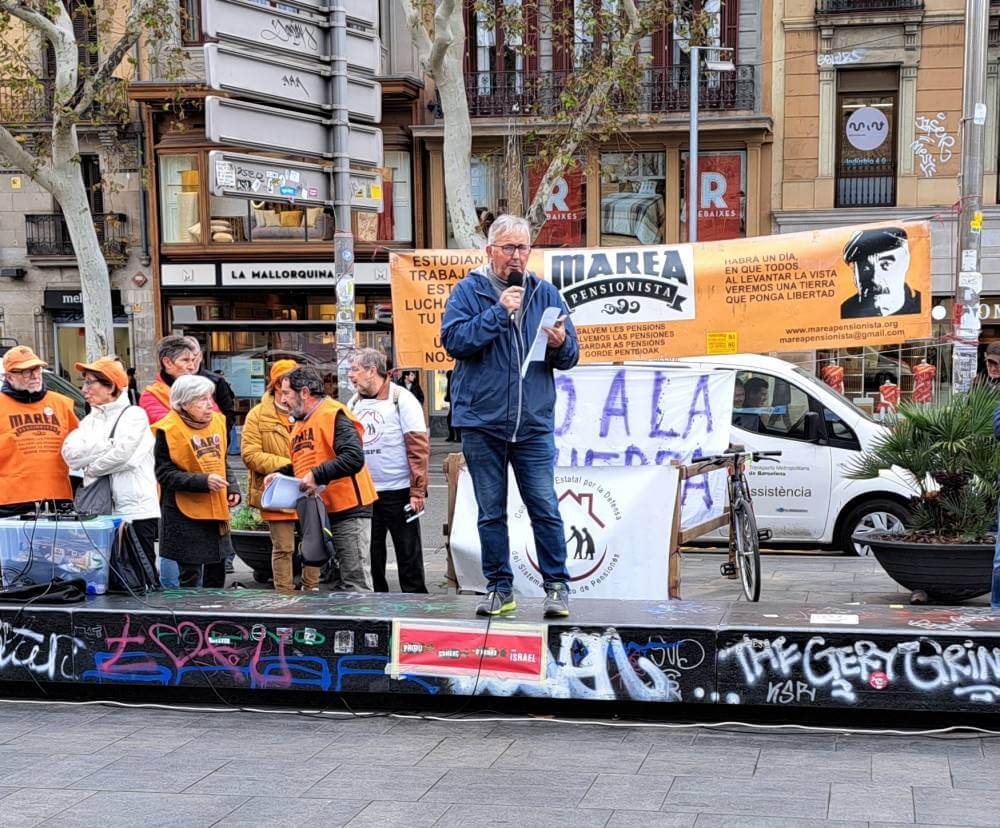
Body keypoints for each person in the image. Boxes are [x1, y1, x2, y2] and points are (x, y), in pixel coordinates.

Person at [441, 213, 579, 618]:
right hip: (482, 424)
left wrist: (559, 344)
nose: (517, 257)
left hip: (532, 424)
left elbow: (571, 357)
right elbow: (455, 341)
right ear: (490, 251)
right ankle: (500, 589)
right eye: (509, 248)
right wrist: (498, 313)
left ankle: (557, 588)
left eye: (523, 248)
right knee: (490, 511)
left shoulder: (546, 294)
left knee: (544, 506)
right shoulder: (468, 292)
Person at [272, 366, 378, 592]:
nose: (282, 399)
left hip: (348, 509)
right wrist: (281, 475)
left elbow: (353, 457)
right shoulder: (300, 423)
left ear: (304, 392)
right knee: (330, 583)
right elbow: (307, 463)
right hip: (321, 513)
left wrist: (317, 475)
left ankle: (361, 625)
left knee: (354, 580)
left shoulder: (333, 413)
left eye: (286, 393)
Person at [61, 356, 160, 571]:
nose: (84, 389)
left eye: (90, 382)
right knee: (101, 571)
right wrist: (107, 445)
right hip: (100, 510)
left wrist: (91, 469)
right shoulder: (89, 421)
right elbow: (70, 454)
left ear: (110, 386)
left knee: (138, 573)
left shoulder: (134, 415)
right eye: (84, 382)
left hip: (135, 511)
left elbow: (125, 457)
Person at [347, 348, 430, 593]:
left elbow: (418, 447)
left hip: (400, 491)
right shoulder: (353, 402)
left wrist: (417, 491)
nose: (351, 375)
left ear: (372, 371)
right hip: (366, 493)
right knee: (371, 554)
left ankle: (415, 606)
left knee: (408, 553)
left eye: (356, 369)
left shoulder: (402, 399)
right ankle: (377, 606)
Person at [152, 374, 241, 588]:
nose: (210, 405)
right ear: (183, 403)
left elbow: (222, 460)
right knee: (190, 576)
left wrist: (233, 487)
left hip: (216, 508)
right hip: (184, 513)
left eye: (209, 398)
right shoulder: (168, 429)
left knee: (217, 570)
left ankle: (216, 616)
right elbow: (164, 473)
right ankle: (189, 619)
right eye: (201, 400)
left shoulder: (218, 422)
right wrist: (202, 481)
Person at [0, 346, 79, 517]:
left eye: (37, 369)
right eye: (26, 372)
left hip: (57, 498)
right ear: (9, 376)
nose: (35, 376)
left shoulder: (62, 404)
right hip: (10, 502)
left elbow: (79, 448)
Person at [241, 359, 298, 592]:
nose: (288, 394)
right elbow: (250, 454)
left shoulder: (309, 409)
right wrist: (288, 466)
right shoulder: (257, 415)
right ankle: (284, 595)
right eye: (284, 387)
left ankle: (311, 591)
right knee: (283, 547)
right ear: (274, 385)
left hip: (309, 486)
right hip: (277, 491)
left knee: (314, 543)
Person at [840, 227, 921, 319]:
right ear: (855, 274)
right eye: (865, 268)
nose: (875, 279)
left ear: (905, 263)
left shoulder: (923, 305)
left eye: (885, 264)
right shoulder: (844, 312)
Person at [183, 335, 237, 437]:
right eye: (186, 359)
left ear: (200, 356)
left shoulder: (216, 381)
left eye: (194, 358)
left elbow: (228, 414)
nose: (191, 364)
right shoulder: (174, 382)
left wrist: (221, 438)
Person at [445, 369, 460, 442]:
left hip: (455, 403)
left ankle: (457, 436)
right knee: (451, 418)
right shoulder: (453, 381)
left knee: (452, 419)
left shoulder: (453, 380)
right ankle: (454, 436)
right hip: (454, 402)